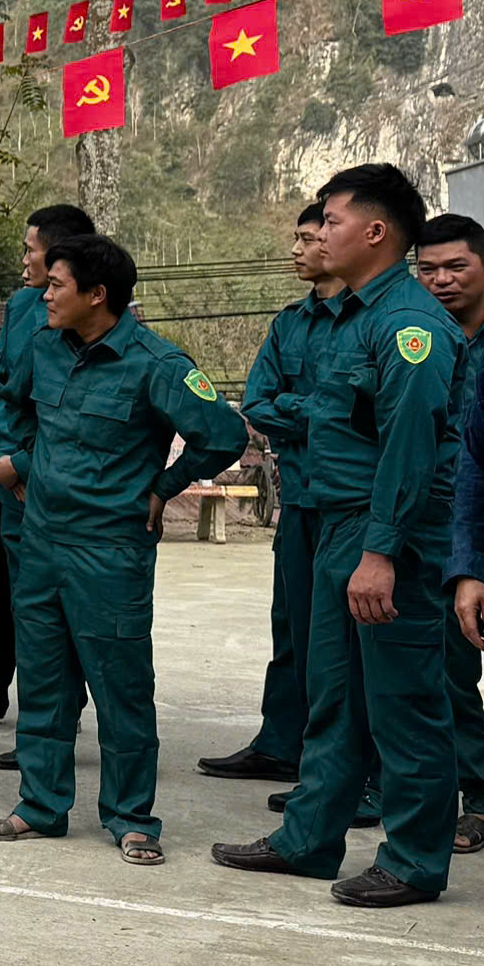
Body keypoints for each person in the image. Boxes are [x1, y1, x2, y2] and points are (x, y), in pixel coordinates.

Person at [214, 164, 461, 907]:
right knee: (334, 695)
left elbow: (410, 454)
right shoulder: (347, 318)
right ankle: (309, 838)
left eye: (332, 221)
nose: (319, 234)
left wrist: (381, 553)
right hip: (334, 521)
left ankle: (413, 861)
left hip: (388, 532)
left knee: (403, 703)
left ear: (376, 232)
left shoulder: (410, 326)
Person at [0, 234, 245, 864]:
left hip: (109, 550)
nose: (45, 295)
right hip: (41, 541)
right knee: (43, 682)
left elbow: (223, 434)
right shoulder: (44, 346)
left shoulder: (156, 363)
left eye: (56, 285)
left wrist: (164, 487)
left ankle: (131, 817)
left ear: (98, 295)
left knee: (121, 687)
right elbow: (10, 401)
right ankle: (40, 806)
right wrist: (17, 460)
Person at [205, 203, 341, 789]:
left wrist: (301, 410)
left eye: (308, 238)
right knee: (290, 626)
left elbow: (361, 410)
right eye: (297, 237)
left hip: (349, 501)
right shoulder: (290, 324)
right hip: (300, 498)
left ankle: (345, 769)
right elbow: (259, 403)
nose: (297, 249)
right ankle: (282, 743)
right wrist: (313, 411)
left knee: (343, 640)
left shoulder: (373, 322)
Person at [0, 203, 94, 734]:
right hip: (14, 481)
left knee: (57, 607)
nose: (24, 260)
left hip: (56, 482)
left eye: (30, 250)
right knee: (9, 597)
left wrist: (29, 463)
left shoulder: (87, 318)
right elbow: (3, 384)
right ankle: (4, 695)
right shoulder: (21, 305)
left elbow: (74, 411)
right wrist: (7, 462)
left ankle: (54, 720)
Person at [433, 217, 484, 854]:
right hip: (448, 534)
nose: (442, 281)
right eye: (428, 270)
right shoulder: (415, 341)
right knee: (453, 674)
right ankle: (480, 799)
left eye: (457, 267)